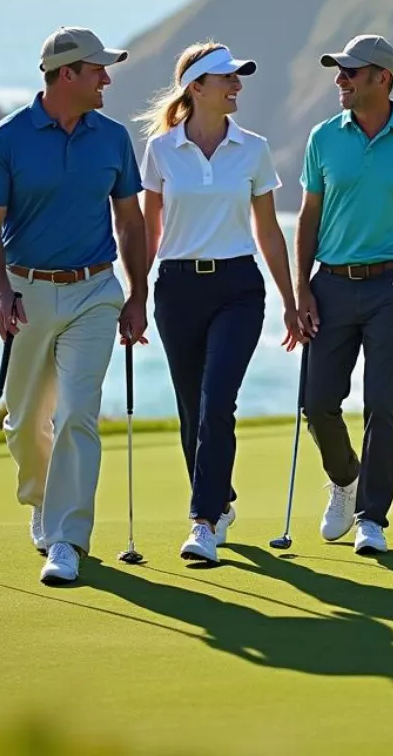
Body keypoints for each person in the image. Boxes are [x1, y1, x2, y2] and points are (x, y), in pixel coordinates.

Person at [0, 26, 147, 586]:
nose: (107, 78)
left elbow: (130, 219)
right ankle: (43, 503)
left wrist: (137, 293)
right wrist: (1, 294)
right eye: (97, 69)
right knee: (25, 426)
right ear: (66, 74)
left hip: (95, 292)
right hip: (27, 293)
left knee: (77, 412)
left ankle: (68, 539)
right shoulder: (7, 138)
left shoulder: (113, 138)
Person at [139, 42, 303, 565]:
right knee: (193, 410)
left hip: (238, 286)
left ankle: (203, 522)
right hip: (177, 288)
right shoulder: (161, 151)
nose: (237, 85)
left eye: (238, 78)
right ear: (196, 87)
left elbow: (269, 230)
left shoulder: (252, 148)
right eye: (226, 78)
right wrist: (135, 297)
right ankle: (220, 500)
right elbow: (149, 229)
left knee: (217, 400)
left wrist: (290, 301)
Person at [296, 34, 393, 556]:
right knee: (317, 404)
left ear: (382, 78)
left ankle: (372, 517)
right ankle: (345, 480)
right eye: (339, 72)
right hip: (331, 285)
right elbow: (309, 216)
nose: (340, 80)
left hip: (391, 289)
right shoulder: (323, 137)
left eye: (351, 72)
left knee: (383, 407)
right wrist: (301, 289)